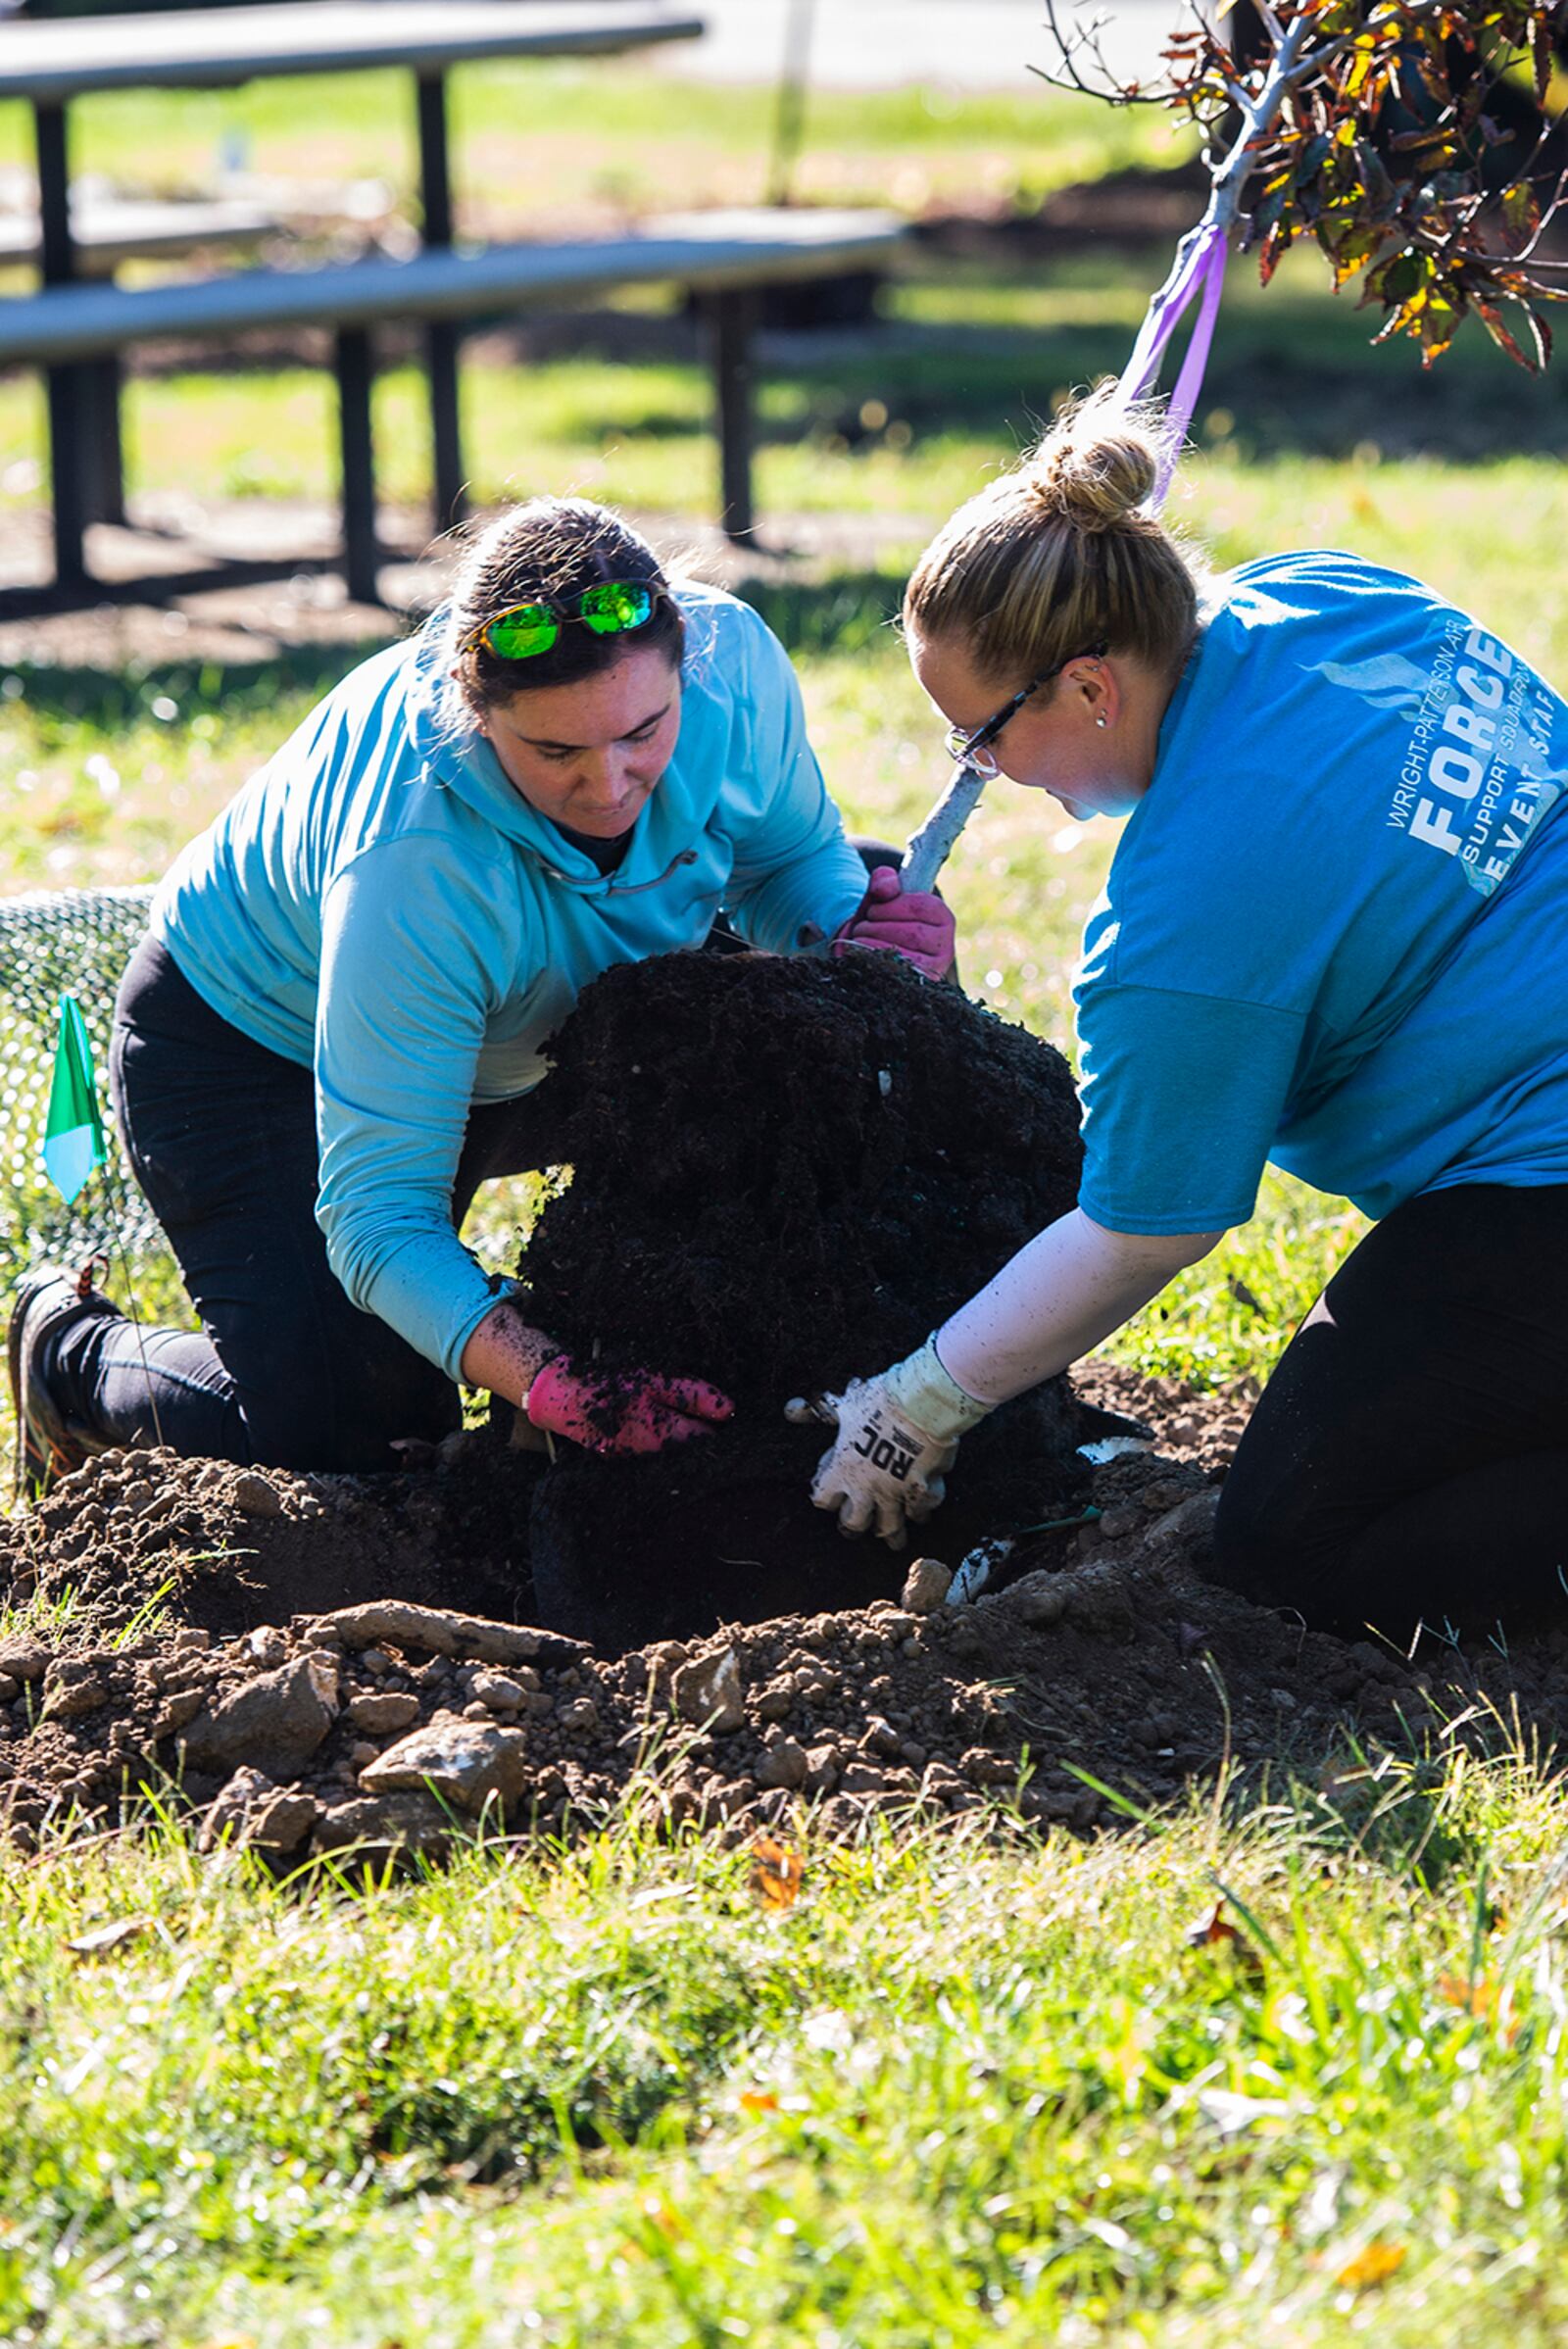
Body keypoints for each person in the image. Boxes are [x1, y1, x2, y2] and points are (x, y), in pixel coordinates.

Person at [794, 388, 1568, 1639]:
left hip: (1547, 1189)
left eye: (980, 738)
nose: (978, 774)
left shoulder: (1189, 922)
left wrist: (910, 1410)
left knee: (1295, 1544)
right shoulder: (1330, 593)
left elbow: (1143, 1230)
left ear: (1091, 684)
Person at [10, 497, 956, 1485]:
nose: (609, 784)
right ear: (477, 711)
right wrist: (548, 1380)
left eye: (644, 730)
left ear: (687, 661)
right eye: (555, 753)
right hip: (258, 1052)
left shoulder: (735, 660)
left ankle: (913, 1330)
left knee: (874, 970)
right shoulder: (413, 860)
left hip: (566, 1019)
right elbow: (379, 1219)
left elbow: (789, 860)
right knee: (365, 1442)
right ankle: (65, 1355)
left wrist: (845, 935)